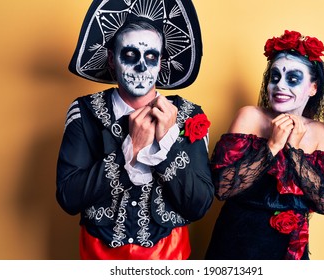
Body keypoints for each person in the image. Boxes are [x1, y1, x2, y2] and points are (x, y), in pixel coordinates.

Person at [56, 0, 214, 260]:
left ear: (161, 63)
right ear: (111, 59)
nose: (142, 66)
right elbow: (68, 198)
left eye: (151, 57)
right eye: (130, 55)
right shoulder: (84, 112)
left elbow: (198, 205)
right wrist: (130, 151)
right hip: (100, 257)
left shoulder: (189, 115)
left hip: (168, 256)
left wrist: (167, 144)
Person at [205, 30, 324, 260]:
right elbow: (222, 188)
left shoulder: (319, 132)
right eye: (275, 77)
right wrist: (272, 146)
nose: (280, 86)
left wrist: (293, 151)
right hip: (237, 244)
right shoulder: (249, 117)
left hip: (288, 248)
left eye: (293, 78)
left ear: (313, 87)